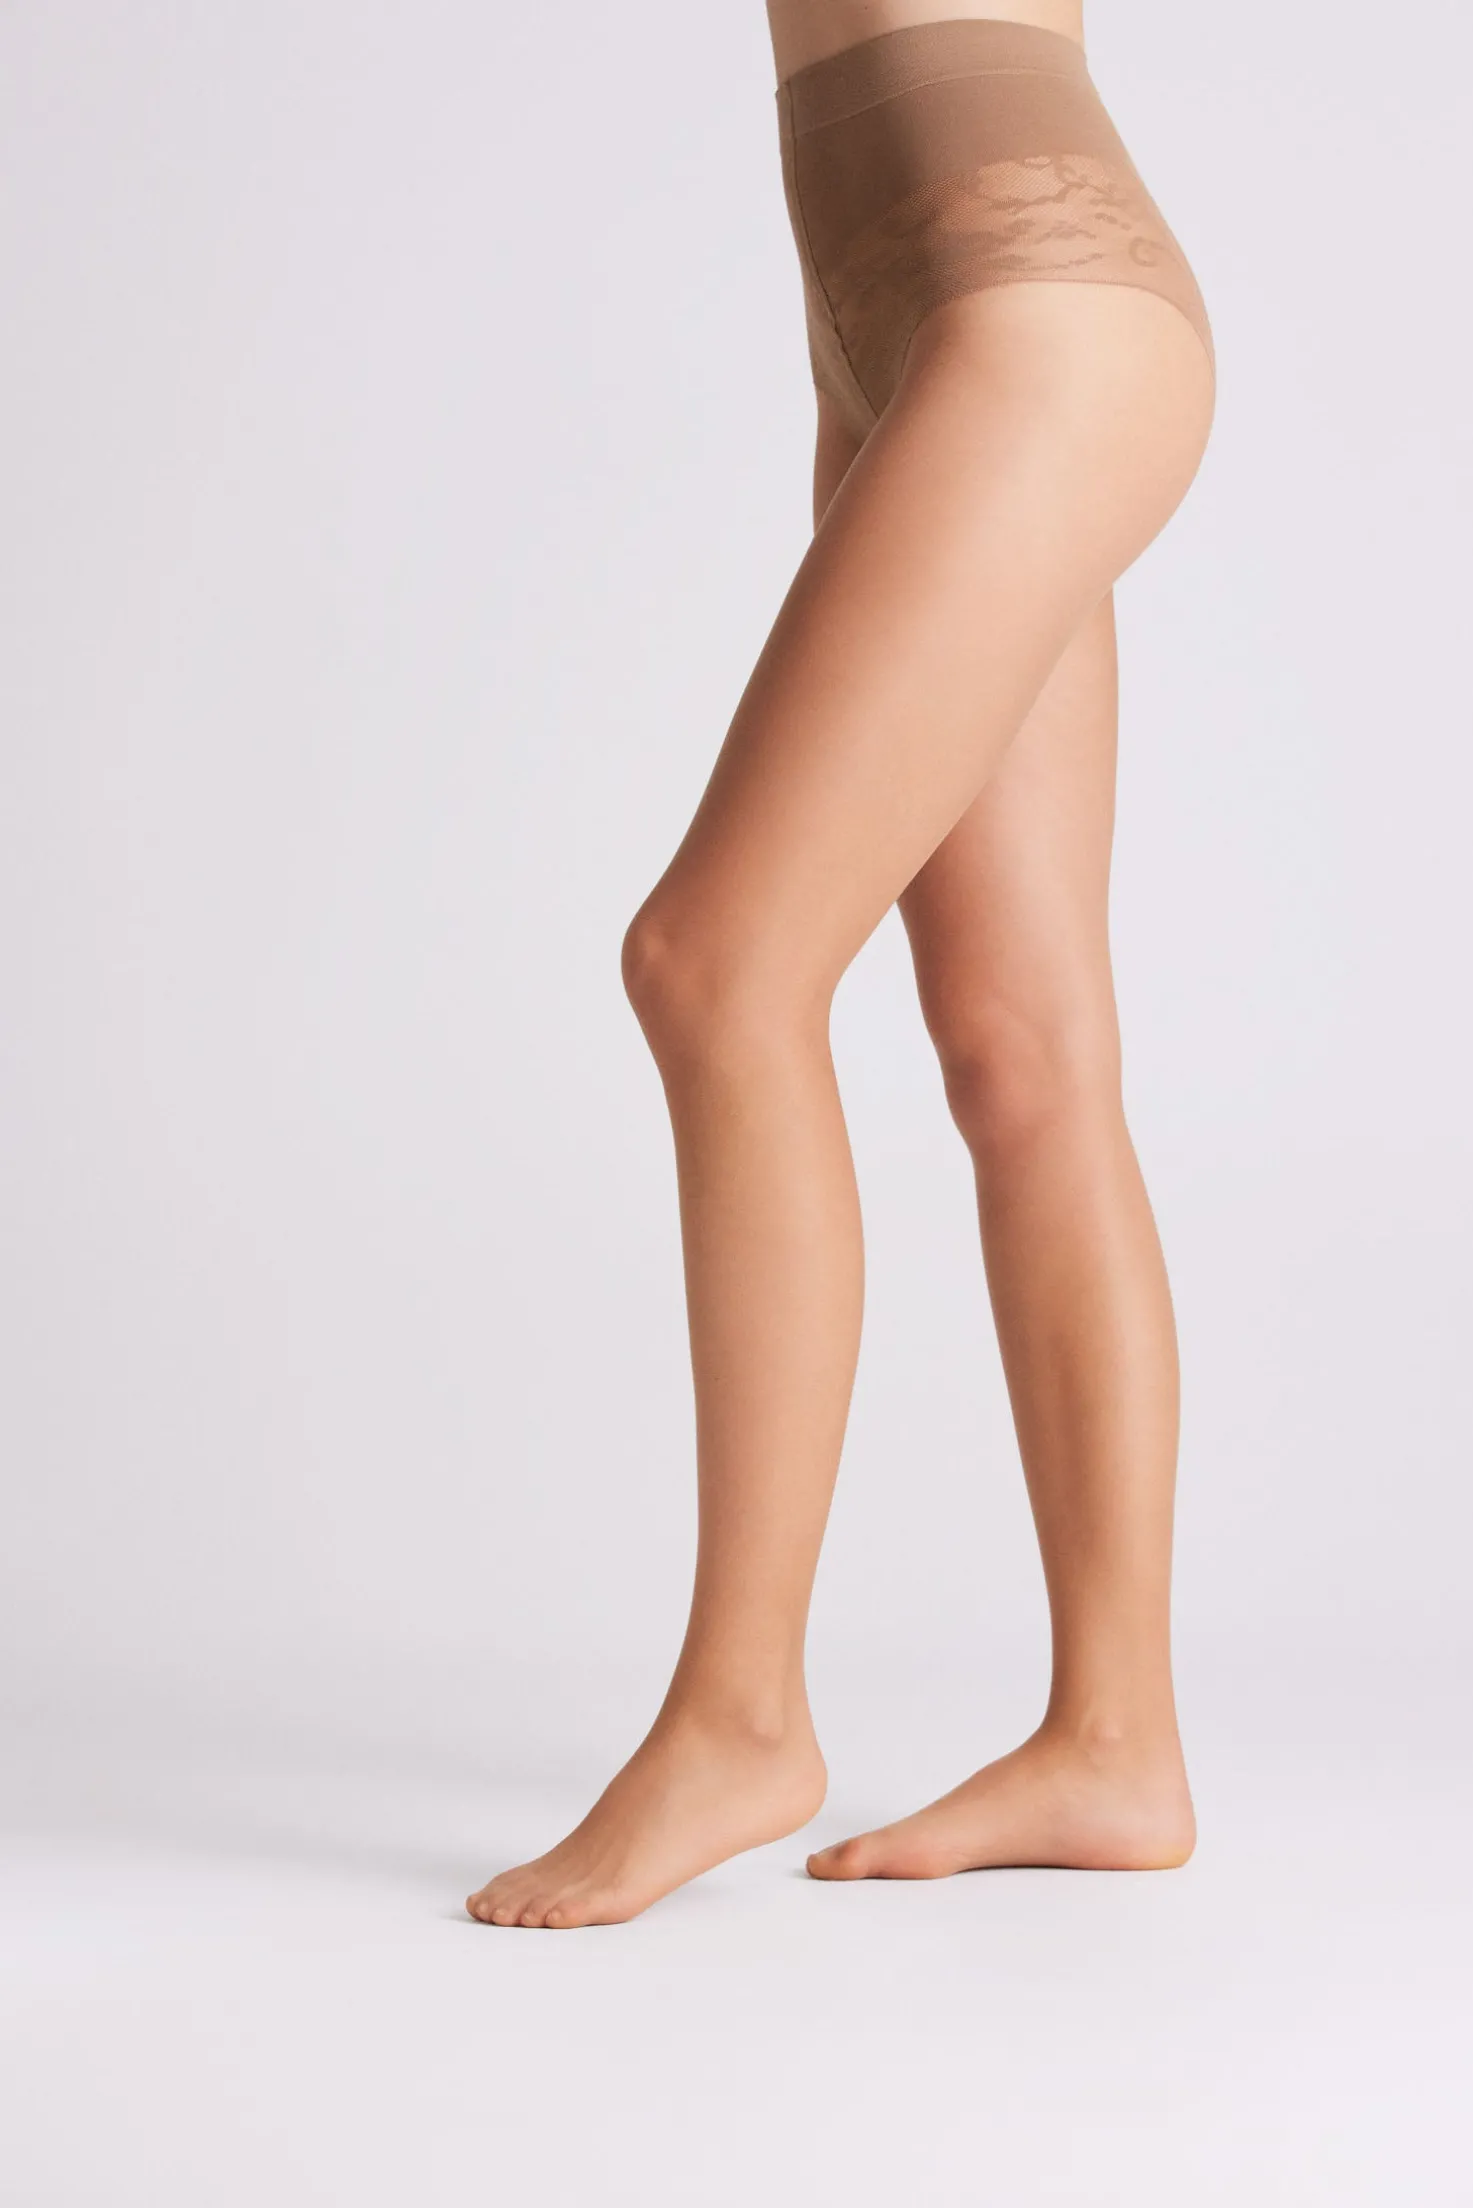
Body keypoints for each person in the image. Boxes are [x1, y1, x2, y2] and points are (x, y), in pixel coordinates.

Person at [469, 0, 1215, 1929]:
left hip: (1031, 306)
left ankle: (740, 1713)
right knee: (1023, 1052)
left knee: (712, 966)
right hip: (914, 320)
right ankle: (1116, 1740)